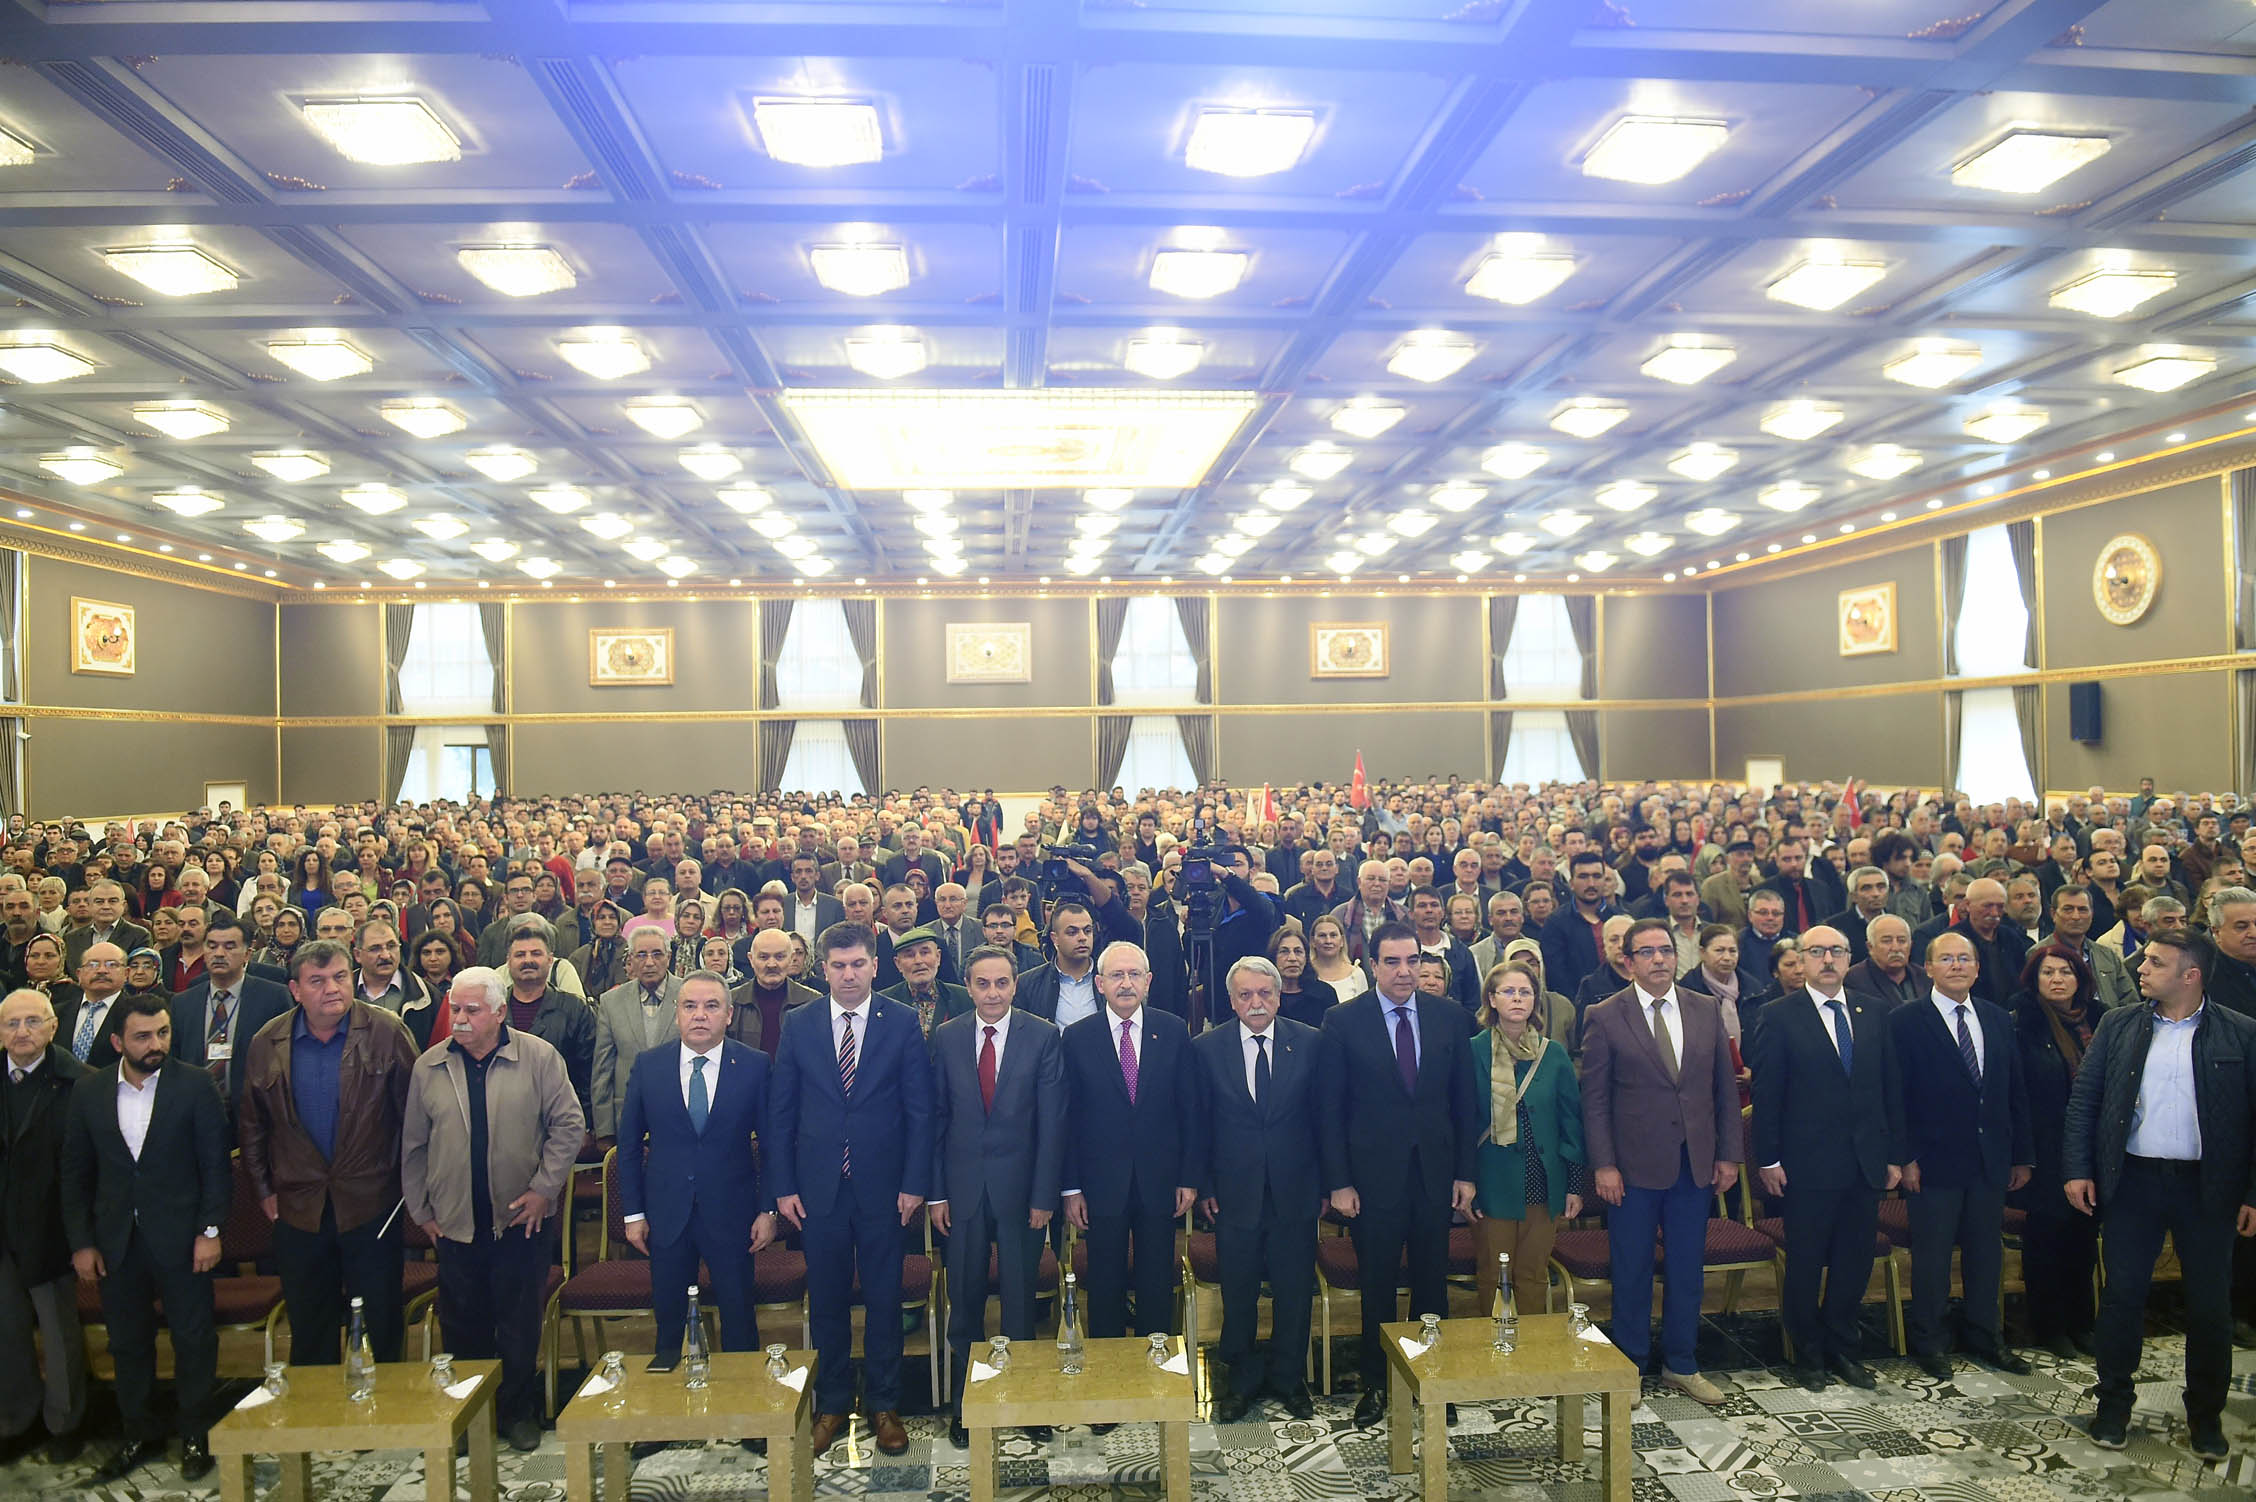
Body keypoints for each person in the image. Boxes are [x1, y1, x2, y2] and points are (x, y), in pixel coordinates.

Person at [2063, 928, 2256, 1460]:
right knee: (2123, 1296)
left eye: (2154, 962)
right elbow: (2086, 1100)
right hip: (2134, 1183)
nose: (2140, 969)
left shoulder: (2241, 1033)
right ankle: (2113, 1408)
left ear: (2189, 975)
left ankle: (2206, 1417)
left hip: (2208, 1187)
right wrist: (2078, 1168)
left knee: (2209, 1307)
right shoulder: (2119, 1024)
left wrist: (2253, 1194)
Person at [767, 922, 933, 1459]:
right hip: (817, 1190)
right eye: (837, 966)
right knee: (828, 1302)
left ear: (875, 965)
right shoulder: (799, 1023)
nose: (848, 974)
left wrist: (914, 1183)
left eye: (858, 964)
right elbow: (781, 1113)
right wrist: (784, 1186)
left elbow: (919, 1111)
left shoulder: (902, 1022)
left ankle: (885, 1404)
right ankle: (833, 1403)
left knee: (886, 1299)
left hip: (886, 1189)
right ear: (821, 968)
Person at [401, 966, 584, 1452]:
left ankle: (518, 1411)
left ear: (500, 1012)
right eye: (454, 1009)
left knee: (519, 1323)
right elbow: (414, 1146)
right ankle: (471, 1416)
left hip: (521, 1219)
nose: (459, 1019)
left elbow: (568, 1126)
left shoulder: (538, 1057)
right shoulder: (430, 1066)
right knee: (463, 1324)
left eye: (471, 1010)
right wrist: (421, 1210)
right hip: (454, 1221)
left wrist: (545, 1189)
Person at [61, 992, 229, 1482]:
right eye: (142, 1036)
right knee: (128, 1343)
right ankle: (139, 1432)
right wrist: (83, 1242)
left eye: (162, 1033)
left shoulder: (195, 1085)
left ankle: (197, 1434)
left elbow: (216, 1168)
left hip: (183, 1238)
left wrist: (210, 1231)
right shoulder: (88, 1093)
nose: (155, 1044)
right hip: (116, 1242)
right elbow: (75, 1174)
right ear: (117, 1041)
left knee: (193, 1339)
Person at [1318, 922, 1481, 1428]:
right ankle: (1376, 1383)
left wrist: (1465, 1174)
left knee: (1434, 1285)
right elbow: (1331, 1110)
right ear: (1372, 965)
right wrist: (1339, 1182)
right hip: (1371, 1182)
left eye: (1412, 960)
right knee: (1379, 1285)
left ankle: (1436, 1380)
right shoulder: (1343, 1021)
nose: (1405, 970)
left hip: (1435, 1176)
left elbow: (1465, 1104)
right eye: (1392, 961)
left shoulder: (1450, 1017)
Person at [236, 938, 421, 1366]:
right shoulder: (268, 1041)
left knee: (381, 1321)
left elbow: (416, 1117)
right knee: (310, 1324)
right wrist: (263, 1187)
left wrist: (406, 1186)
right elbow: (252, 1125)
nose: (332, 988)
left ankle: (388, 1422)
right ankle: (317, 1426)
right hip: (298, 1205)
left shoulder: (387, 1031)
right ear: (296, 989)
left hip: (372, 1201)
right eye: (317, 981)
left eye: (340, 977)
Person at [1579, 916, 1741, 1402]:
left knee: (1687, 1269)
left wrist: (1729, 1155)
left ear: (1677, 956)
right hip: (1631, 1169)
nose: (1658, 960)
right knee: (1631, 1269)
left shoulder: (1705, 1009)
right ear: (1627, 962)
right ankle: (1629, 1364)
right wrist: (1604, 1164)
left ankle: (1682, 1363)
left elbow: (1724, 1092)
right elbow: (1596, 1100)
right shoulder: (1605, 1015)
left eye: (1665, 951)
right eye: (1646, 952)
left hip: (1694, 1163)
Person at [928, 945, 1065, 1448]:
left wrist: (1044, 1195)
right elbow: (937, 1119)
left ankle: (1025, 1399)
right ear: (968, 986)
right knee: (963, 1302)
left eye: (1002, 983)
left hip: (1022, 1194)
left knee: (1019, 1303)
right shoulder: (946, 1036)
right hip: (961, 1193)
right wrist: (936, 1193)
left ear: (1014, 985)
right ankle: (969, 1404)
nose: (992, 993)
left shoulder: (1043, 1036)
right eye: (983, 984)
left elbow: (1053, 1125)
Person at [1749, 925, 1897, 1391]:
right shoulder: (1779, 1015)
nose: (1827, 959)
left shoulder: (1873, 1011)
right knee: (1807, 1261)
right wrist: (1767, 1159)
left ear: (1849, 957)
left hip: (1864, 1160)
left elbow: (1888, 1089)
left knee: (1855, 1262)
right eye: (1817, 952)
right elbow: (1768, 1093)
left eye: (1836, 951)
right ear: (1802, 960)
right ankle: (1807, 1354)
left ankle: (1843, 1348)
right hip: (1807, 1163)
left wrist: (1893, 1153)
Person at [1886, 931, 2033, 1381]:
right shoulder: (1905, 1020)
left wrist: (2021, 1155)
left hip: (1989, 1159)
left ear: (1977, 968)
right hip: (1932, 1162)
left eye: (1964, 958)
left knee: (1987, 1255)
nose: (1956, 966)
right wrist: (1905, 1156)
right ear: (1927, 968)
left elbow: (2014, 1091)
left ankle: (1986, 1335)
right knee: (1931, 1257)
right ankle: (1930, 1340)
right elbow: (1896, 1096)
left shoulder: (1995, 1017)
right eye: (1945, 959)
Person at [616, 970, 777, 1369]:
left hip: (733, 1214)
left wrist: (768, 1210)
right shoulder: (650, 1066)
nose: (699, 1015)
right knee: (669, 1319)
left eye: (711, 1006)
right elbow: (630, 1146)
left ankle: (745, 1418)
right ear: (677, 1013)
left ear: (728, 1015)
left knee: (739, 1317)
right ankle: (669, 1414)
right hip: (666, 1215)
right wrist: (633, 1214)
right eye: (689, 1006)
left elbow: (774, 1146)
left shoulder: (755, 1065)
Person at [1193, 956, 1323, 1424]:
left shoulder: (1309, 1044)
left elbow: (1324, 1121)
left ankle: (1289, 1379)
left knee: (1293, 1291)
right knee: (1239, 1292)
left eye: (1264, 993)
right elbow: (1198, 1126)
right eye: (1245, 995)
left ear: (1278, 994)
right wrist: (1204, 1183)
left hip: (1296, 1190)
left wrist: (1326, 1183)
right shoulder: (1206, 1049)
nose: (1256, 1002)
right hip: (1232, 1193)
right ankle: (1240, 1381)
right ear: (1231, 1001)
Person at [1061, 942, 1197, 1340]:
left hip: (1161, 1181)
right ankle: (1109, 1375)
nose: (1125, 983)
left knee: (1157, 1281)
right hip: (1100, 1185)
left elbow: (1189, 1110)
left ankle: (1156, 1371)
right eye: (1116, 976)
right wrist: (1070, 1188)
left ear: (1148, 981)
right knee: (1104, 1285)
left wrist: (1188, 1177)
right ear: (1099, 983)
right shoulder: (1077, 1037)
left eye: (1134, 974)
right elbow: (1067, 1119)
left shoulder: (1172, 1030)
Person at [1467, 960, 1584, 1320]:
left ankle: (1533, 1357)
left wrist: (1574, 1185)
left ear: (1535, 1000)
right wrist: (1466, 1182)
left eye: (1525, 992)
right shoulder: (1473, 1050)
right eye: (1509, 991)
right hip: (1493, 1182)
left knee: (1533, 1275)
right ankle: (1495, 1354)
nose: (1517, 999)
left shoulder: (1554, 1054)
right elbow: (1462, 1122)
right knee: (1492, 1275)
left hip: (1543, 1180)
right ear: (1492, 998)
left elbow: (1571, 1124)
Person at [0, 989, 89, 1465]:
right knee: (6, 1332)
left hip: (53, 1229)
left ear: (54, 1027)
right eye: (12, 1023)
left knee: (59, 1336)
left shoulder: (81, 1083)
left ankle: (65, 1423)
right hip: (2, 1231)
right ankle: (15, 1422)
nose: (22, 1032)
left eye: (33, 1021)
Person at [2010, 942, 2101, 1362]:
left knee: (2083, 1238)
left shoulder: (2100, 1019)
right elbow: (2016, 1095)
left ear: (2080, 979)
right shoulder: (2022, 1022)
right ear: (2035, 979)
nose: (2058, 980)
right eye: (2048, 973)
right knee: (2048, 1238)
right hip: (2045, 1147)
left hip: (2093, 1146)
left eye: (2066, 972)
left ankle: (2082, 1321)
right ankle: (2049, 1327)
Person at [168, 910, 292, 1121]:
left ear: (247, 954)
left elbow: (284, 1059)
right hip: (195, 1112)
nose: (219, 953)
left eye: (229, 946)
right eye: (212, 945)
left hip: (255, 1112)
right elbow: (175, 1060)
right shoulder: (182, 1002)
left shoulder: (274, 996)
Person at [592, 928, 680, 1141]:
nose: (649, 962)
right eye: (641, 955)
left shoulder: (690, 995)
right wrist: (605, 1130)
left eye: (657, 954)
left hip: (680, 1115)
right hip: (627, 1119)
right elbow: (602, 1069)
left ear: (668, 958)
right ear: (630, 959)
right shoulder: (611, 1001)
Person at [1013, 899, 1100, 1028]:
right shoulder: (1027, 984)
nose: (1082, 937)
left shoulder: (1109, 978)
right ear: (1055, 938)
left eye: (1087, 931)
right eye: (1072, 932)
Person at [878, 924, 970, 1037]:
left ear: (938, 957)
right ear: (898, 964)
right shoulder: (883, 1003)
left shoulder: (964, 999)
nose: (918, 961)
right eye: (909, 955)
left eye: (924, 952)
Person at [55, 941, 129, 1069]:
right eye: (93, 965)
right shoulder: (58, 1013)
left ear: (126, 973)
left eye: (111, 964)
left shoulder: (136, 1013)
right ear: (79, 974)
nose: (101, 970)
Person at [1268, 922, 1338, 1029]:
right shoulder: (1264, 996)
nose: (1292, 958)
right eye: (1284, 951)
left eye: (1298, 951)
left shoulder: (1325, 994)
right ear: (1273, 957)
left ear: (1306, 957)